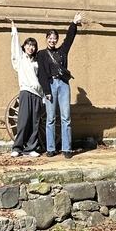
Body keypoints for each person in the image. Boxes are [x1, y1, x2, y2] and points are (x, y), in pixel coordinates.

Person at [37, 12, 84, 159]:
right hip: (50, 85)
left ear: (57, 40)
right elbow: (42, 74)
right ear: (46, 39)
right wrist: (46, 90)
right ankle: (51, 148)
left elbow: (69, 39)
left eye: (54, 38)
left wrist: (74, 23)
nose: (52, 40)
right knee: (50, 118)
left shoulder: (62, 51)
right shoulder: (42, 54)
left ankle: (67, 148)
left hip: (63, 85)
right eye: (50, 38)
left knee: (66, 117)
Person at [7, 19, 43, 158]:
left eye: (33, 46)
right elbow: (15, 47)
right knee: (23, 121)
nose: (31, 48)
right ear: (24, 47)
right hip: (26, 92)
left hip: (38, 94)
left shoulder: (37, 62)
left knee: (35, 123)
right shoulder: (21, 59)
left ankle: (30, 148)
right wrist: (13, 28)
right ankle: (17, 147)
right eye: (28, 45)